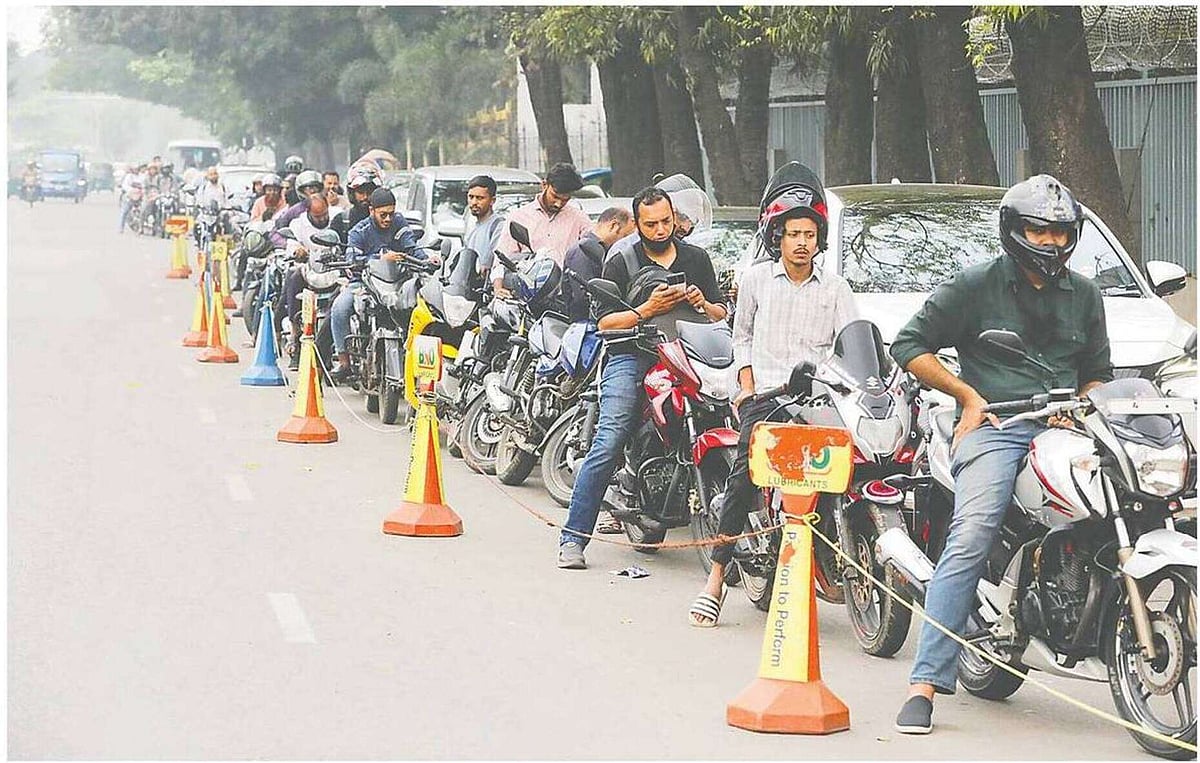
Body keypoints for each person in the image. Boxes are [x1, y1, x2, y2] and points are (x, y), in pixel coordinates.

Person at [887, 175, 1112, 735]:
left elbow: (1098, 375)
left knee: (1126, 506)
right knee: (973, 531)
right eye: (1040, 230)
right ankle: (925, 683)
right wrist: (966, 395)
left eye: (1061, 232)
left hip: (1063, 428)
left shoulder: (1085, 295)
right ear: (1015, 231)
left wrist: (1080, 408)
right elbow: (908, 345)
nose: (1052, 242)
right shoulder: (977, 284)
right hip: (996, 424)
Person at [686, 182, 857, 627]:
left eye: (810, 235)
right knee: (745, 476)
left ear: (820, 240)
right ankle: (717, 579)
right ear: (777, 237)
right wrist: (745, 386)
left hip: (818, 397)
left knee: (849, 466)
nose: (802, 243)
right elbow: (740, 337)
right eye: (793, 234)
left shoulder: (836, 288)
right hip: (765, 397)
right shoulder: (756, 279)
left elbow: (852, 343)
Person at [557, 186, 727, 570]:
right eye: (651, 224)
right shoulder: (621, 258)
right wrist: (646, 309)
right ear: (637, 223)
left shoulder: (697, 257)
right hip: (632, 355)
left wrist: (703, 304)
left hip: (690, 356)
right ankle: (572, 538)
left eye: (667, 221)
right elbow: (604, 321)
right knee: (610, 438)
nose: (660, 229)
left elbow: (720, 312)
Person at [329, 188, 421, 380]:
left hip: (397, 284)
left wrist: (429, 259)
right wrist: (380, 257)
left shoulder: (400, 223)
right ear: (372, 211)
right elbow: (352, 256)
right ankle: (344, 361)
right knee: (339, 307)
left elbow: (412, 247)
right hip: (363, 284)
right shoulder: (359, 231)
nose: (388, 219)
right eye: (383, 214)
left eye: (391, 214)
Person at [492, 162, 590, 294]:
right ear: (544, 185)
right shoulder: (519, 216)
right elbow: (501, 259)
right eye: (555, 196)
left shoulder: (579, 218)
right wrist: (498, 289)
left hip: (565, 296)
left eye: (565, 200)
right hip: (528, 294)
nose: (558, 203)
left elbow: (593, 247)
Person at [278, 194, 335, 368]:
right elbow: (292, 246)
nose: (322, 219)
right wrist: (299, 251)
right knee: (293, 277)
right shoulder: (298, 224)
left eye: (324, 214)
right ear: (308, 212)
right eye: (317, 216)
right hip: (307, 270)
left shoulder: (337, 219)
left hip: (332, 270)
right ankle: (294, 336)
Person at [561, 206, 634, 320]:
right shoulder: (583, 251)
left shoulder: (602, 251)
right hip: (585, 326)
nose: (625, 243)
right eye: (625, 236)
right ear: (614, 226)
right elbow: (583, 297)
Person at [449, 175, 504, 291]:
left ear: (492, 201)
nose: (474, 202)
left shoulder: (498, 226)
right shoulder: (472, 227)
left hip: (487, 291)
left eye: (479, 198)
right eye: (471, 197)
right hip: (468, 290)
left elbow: (496, 261)